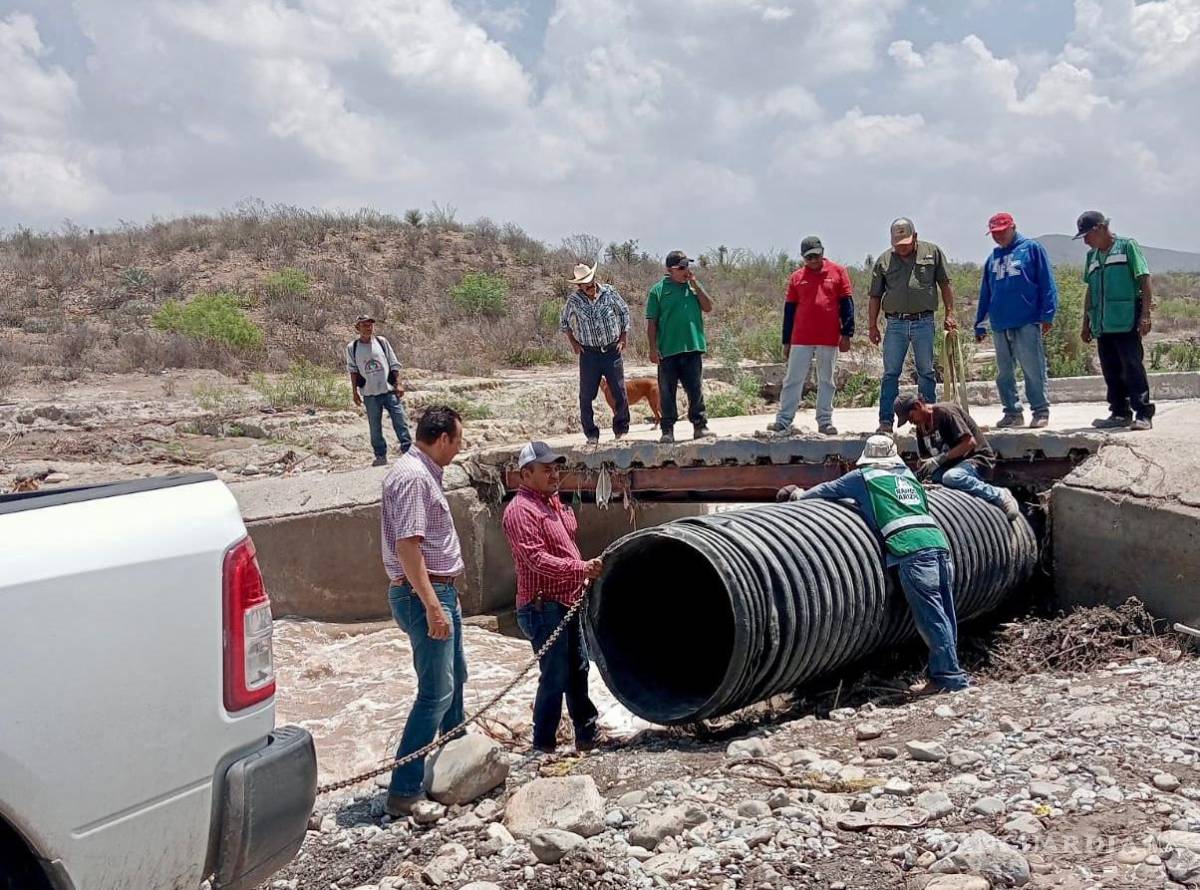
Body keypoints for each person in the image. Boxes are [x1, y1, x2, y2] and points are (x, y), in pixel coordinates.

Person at [779, 435, 969, 695]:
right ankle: (951, 673)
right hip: (939, 545)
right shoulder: (909, 479)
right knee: (945, 613)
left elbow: (825, 491)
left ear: (868, 456)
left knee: (931, 618)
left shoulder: (864, 477)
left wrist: (798, 495)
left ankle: (949, 678)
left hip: (911, 550)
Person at [381, 406, 466, 816]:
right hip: (425, 594)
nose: (461, 447)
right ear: (443, 438)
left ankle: (456, 761)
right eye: (459, 439)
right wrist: (433, 606)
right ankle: (404, 788)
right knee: (435, 693)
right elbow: (407, 546)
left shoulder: (420, 472)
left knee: (456, 678)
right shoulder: (414, 478)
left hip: (437, 591)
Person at [501, 441, 603, 754]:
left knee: (579, 668)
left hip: (566, 601)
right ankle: (543, 744)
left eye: (556, 468)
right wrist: (581, 568)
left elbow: (565, 539)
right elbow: (536, 560)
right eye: (546, 469)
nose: (554, 474)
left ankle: (586, 734)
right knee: (555, 674)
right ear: (525, 475)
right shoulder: (520, 511)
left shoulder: (553, 502)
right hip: (542, 606)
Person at [869, 218, 958, 434]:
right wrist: (872, 325)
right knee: (890, 373)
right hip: (895, 324)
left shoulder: (932, 253)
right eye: (897, 244)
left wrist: (950, 313)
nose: (902, 248)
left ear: (915, 237)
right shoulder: (883, 261)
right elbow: (874, 296)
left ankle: (928, 421)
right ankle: (886, 421)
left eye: (906, 243)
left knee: (926, 372)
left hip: (924, 322)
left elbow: (945, 285)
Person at [974, 213, 1058, 429]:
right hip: (1000, 323)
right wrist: (980, 323)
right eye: (994, 233)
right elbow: (986, 293)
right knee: (1004, 372)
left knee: (1032, 367)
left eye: (1002, 231)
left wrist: (1047, 314)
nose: (999, 236)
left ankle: (1040, 410)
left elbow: (1046, 281)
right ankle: (1012, 411)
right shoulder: (992, 259)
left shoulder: (1031, 249)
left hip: (1027, 320)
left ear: (1013, 227)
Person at [1075, 211, 1156, 431]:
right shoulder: (1092, 257)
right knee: (1110, 369)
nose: (1085, 241)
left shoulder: (1127, 246)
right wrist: (1086, 323)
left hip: (1126, 320)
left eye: (1087, 235)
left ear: (1100, 228)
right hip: (1102, 323)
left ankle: (1143, 413)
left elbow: (1144, 279)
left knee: (1132, 366)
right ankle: (1119, 413)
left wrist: (1145, 315)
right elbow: (1090, 290)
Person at [767, 236, 853, 436]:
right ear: (803, 258)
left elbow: (847, 305)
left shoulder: (838, 272)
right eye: (808, 258)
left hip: (829, 336)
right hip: (801, 337)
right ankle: (784, 420)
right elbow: (789, 311)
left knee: (826, 380)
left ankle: (825, 421)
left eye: (816, 256)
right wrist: (786, 341)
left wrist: (847, 333)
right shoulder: (797, 277)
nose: (813, 261)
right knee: (793, 379)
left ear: (822, 251)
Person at [893, 394, 1020, 520]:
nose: (911, 422)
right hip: (952, 465)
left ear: (917, 405)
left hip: (975, 460)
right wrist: (924, 468)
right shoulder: (921, 428)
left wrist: (940, 458)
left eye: (910, 417)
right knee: (920, 479)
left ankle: (1000, 495)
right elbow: (927, 459)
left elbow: (969, 443)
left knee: (952, 477)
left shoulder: (945, 412)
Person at [646, 250, 715, 443]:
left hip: (692, 347)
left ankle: (700, 426)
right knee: (667, 392)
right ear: (670, 270)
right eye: (681, 267)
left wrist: (695, 284)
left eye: (687, 266)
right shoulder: (658, 291)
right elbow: (652, 323)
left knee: (695, 389)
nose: (686, 271)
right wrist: (652, 348)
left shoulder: (693, 288)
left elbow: (708, 307)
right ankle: (667, 430)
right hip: (668, 350)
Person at [560, 263, 631, 444]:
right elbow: (564, 321)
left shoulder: (609, 292)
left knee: (619, 390)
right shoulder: (574, 301)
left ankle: (621, 429)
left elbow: (623, 312)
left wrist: (623, 337)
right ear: (579, 287)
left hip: (611, 350)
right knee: (586, 395)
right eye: (585, 285)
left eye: (591, 283)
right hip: (589, 354)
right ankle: (591, 433)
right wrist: (573, 342)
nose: (590, 287)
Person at [346, 314, 411, 466]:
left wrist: (398, 384)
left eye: (370, 325)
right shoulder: (352, 348)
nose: (368, 328)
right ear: (358, 328)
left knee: (400, 421)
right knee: (375, 427)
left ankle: (408, 450)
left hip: (388, 390)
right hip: (369, 393)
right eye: (364, 325)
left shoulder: (382, 342)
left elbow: (394, 364)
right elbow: (353, 371)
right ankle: (380, 455)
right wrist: (354, 392)